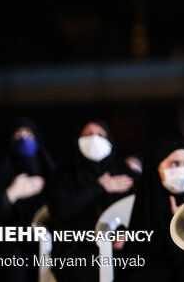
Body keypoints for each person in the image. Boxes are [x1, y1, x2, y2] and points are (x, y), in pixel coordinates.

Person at [47, 119, 137, 282]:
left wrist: (125, 234)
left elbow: (140, 209)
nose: (95, 139)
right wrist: (99, 188)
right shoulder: (64, 176)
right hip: (75, 251)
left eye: (101, 135)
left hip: (120, 251)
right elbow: (61, 210)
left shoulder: (123, 173)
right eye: (88, 134)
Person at [0, 117, 55, 282]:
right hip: (4, 243)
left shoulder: (48, 173)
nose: (23, 139)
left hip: (43, 242)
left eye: (28, 135)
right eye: (17, 136)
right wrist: (10, 195)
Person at [122, 138, 184, 281]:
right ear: (156, 167)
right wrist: (175, 223)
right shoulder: (146, 206)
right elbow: (146, 258)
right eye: (174, 164)